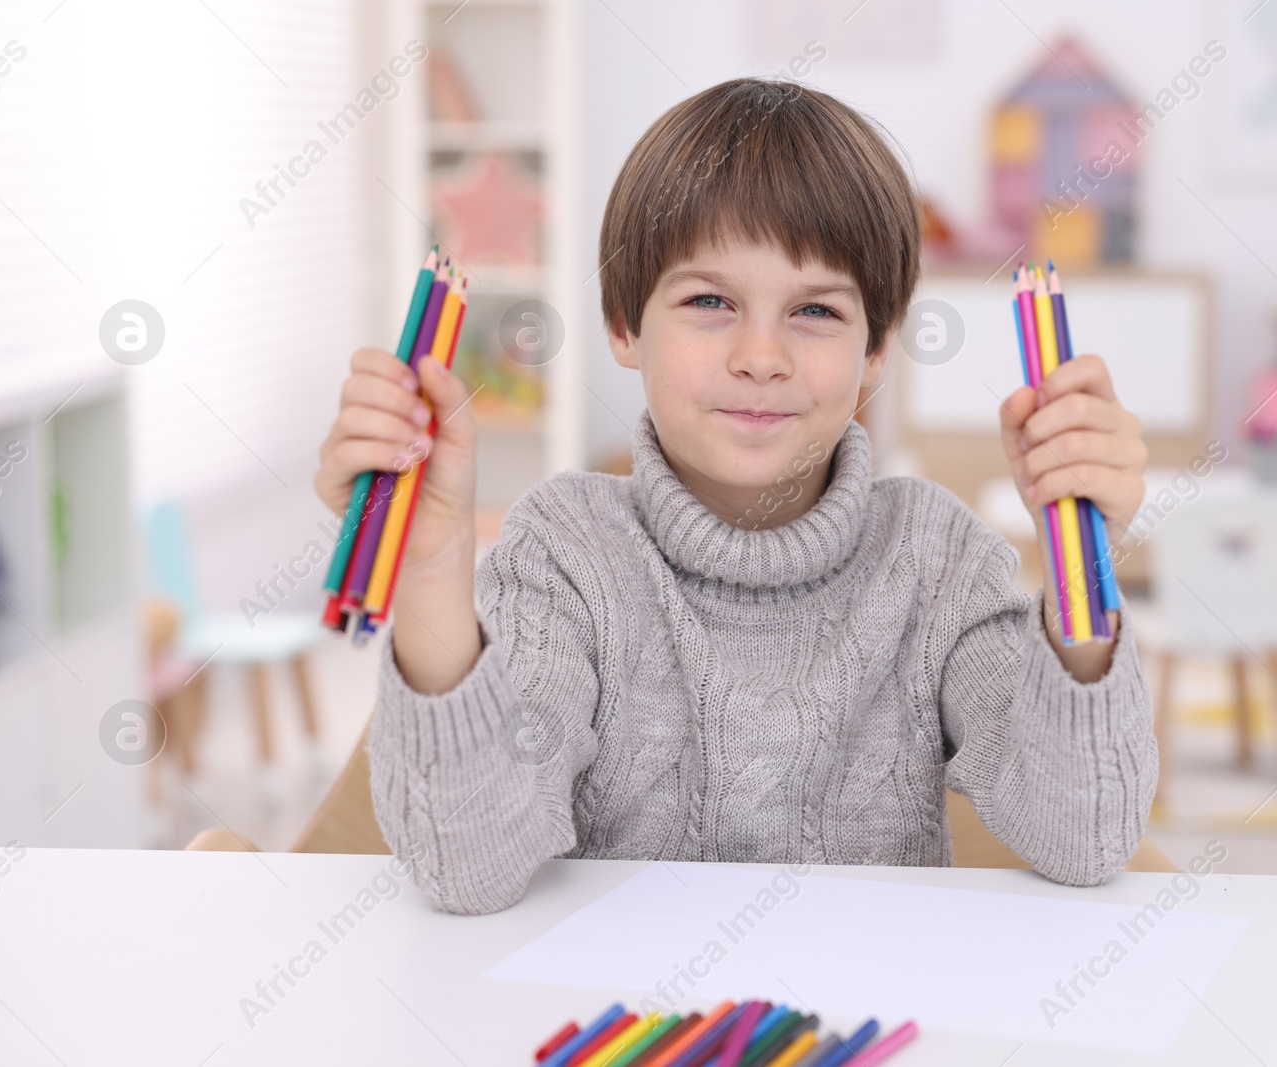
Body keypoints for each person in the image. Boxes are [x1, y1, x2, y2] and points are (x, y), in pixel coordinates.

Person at [314, 78, 1154, 915]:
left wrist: (1081, 563)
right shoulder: (564, 551)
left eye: (817, 310)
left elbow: (1084, 841)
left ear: (876, 350)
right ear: (622, 324)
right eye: (710, 301)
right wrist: (427, 567)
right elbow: (468, 869)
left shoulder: (937, 557)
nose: (762, 355)